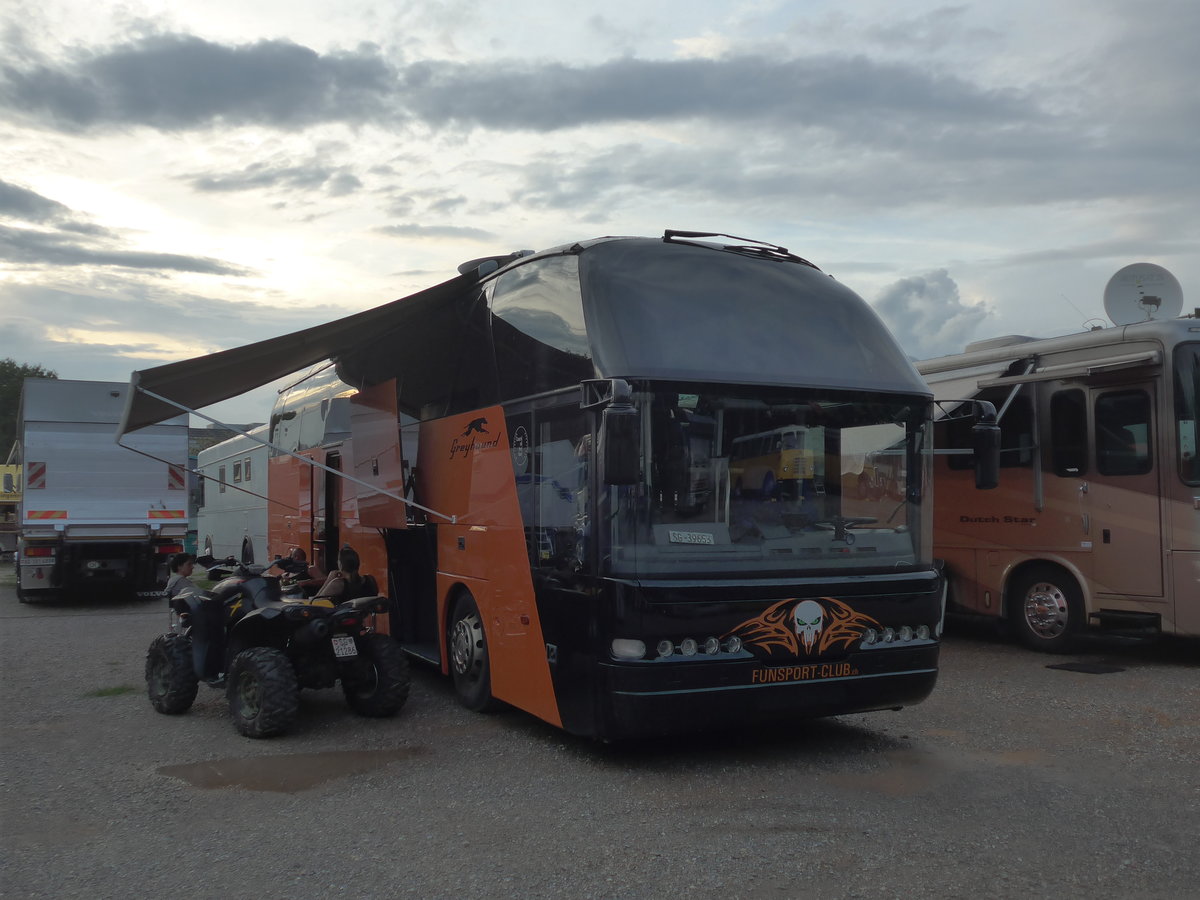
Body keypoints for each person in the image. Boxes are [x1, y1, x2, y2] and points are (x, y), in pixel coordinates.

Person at [165, 552, 225, 686]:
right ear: (179, 566)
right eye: (189, 564)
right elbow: (202, 596)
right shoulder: (180, 582)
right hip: (195, 616)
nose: (192, 567)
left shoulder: (176, 581)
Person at [313, 545, 378, 604]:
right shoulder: (370, 580)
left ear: (340, 564)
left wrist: (329, 579)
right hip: (366, 613)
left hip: (343, 613)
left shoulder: (338, 584)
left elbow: (315, 602)